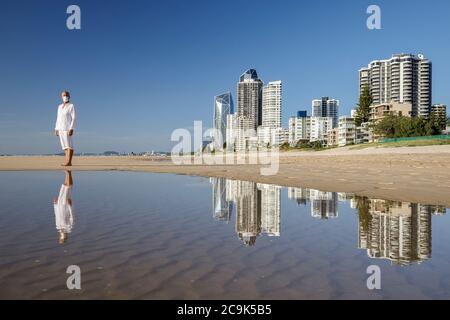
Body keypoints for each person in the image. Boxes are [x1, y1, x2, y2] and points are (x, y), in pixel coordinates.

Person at [55, 91, 76, 166]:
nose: (65, 96)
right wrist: (56, 128)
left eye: (66, 95)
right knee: (64, 146)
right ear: (61, 97)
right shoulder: (59, 106)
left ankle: (69, 162)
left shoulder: (71, 106)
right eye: (63, 95)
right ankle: (67, 161)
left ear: (69, 96)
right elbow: (58, 118)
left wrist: (71, 128)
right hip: (60, 128)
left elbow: (73, 118)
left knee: (69, 145)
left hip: (67, 128)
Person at [53, 171, 74, 245]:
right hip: (65, 205)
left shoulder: (58, 227)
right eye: (63, 237)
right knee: (68, 188)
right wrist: (70, 205)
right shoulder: (68, 228)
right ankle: (68, 173)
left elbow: (56, 215)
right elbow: (72, 217)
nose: (62, 235)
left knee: (64, 186)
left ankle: (68, 173)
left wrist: (54, 204)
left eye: (60, 237)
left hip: (59, 205)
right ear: (65, 237)